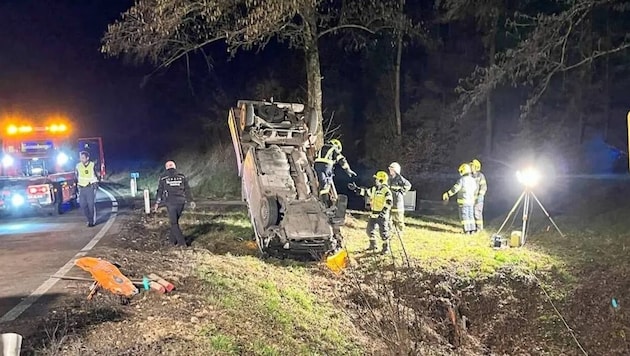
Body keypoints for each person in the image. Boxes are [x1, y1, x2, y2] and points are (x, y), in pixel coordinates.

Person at [348, 171, 393, 254]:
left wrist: (383, 212)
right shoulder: (374, 189)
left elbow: (389, 202)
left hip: (382, 215)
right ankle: (373, 245)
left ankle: (386, 248)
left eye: (377, 179)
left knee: (383, 232)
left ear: (381, 180)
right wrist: (355, 189)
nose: (375, 180)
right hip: (373, 214)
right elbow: (365, 192)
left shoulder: (386, 191)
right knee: (369, 230)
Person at [153, 161, 196, 247]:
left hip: (170, 202)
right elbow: (187, 189)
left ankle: (182, 243)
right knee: (175, 221)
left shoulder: (163, 177)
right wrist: (191, 200)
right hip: (181, 202)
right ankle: (171, 241)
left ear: (166, 168)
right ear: (174, 167)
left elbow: (160, 191)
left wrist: (157, 203)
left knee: (174, 223)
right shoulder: (181, 176)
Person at [314, 139, 357, 205]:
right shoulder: (334, 148)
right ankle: (326, 203)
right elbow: (341, 159)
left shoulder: (322, 147)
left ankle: (320, 199)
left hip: (317, 165)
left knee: (322, 183)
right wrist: (348, 170)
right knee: (327, 183)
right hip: (326, 166)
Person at [442, 163, 477, 234]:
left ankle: (466, 231)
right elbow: (475, 190)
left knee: (464, 216)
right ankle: (472, 230)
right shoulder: (473, 180)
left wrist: (448, 194)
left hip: (463, 202)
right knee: (470, 215)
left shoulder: (462, 180)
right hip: (471, 201)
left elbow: (455, 189)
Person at [75, 151, 100, 227]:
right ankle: (89, 219)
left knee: (91, 205)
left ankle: (91, 221)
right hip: (82, 188)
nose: (81, 159)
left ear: (87, 158)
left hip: (90, 187)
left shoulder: (92, 165)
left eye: (83, 158)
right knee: (83, 205)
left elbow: (96, 175)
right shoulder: (78, 166)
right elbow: (76, 176)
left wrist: (96, 184)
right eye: (80, 158)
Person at [387, 162, 412, 234]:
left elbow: (408, 185)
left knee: (398, 217)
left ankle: (400, 230)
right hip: (390, 200)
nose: (390, 171)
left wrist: (402, 191)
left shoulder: (400, 179)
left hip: (398, 201)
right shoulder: (389, 178)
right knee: (388, 217)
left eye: (392, 169)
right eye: (390, 169)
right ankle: (389, 229)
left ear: (395, 170)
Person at [470, 159, 487, 231]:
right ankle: (473, 228)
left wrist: (480, 196)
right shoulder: (469, 176)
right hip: (470, 199)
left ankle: (479, 229)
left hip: (478, 199)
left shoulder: (481, 176)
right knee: (471, 213)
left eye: (472, 166)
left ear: (476, 167)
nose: (471, 167)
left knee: (477, 214)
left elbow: (484, 187)